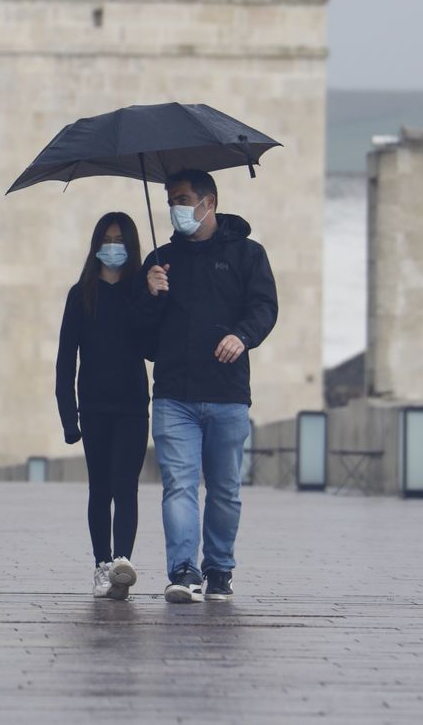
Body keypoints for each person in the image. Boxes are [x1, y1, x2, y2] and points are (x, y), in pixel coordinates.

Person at [136, 169, 277, 604]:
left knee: (224, 489)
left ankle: (219, 568)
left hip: (228, 394)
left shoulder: (248, 254)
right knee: (178, 485)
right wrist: (150, 295)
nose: (176, 209)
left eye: (182, 199)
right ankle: (183, 570)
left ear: (208, 202)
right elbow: (144, 340)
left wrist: (243, 336)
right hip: (174, 395)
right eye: (170, 201)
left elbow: (265, 307)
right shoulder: (160, 262)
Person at [55, 212, 150, 600]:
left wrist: (157, 297)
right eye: (107, 239)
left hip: (132, 405)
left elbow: (154, 345)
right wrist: (68, 416)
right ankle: (101, 562)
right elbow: (66, 359)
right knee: (100, 489)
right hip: (93, 407)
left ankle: (122, 564)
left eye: (120, 240)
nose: (114, 247)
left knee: (126, 486)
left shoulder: (142, 292)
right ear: (96, 245)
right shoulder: (81, 295)